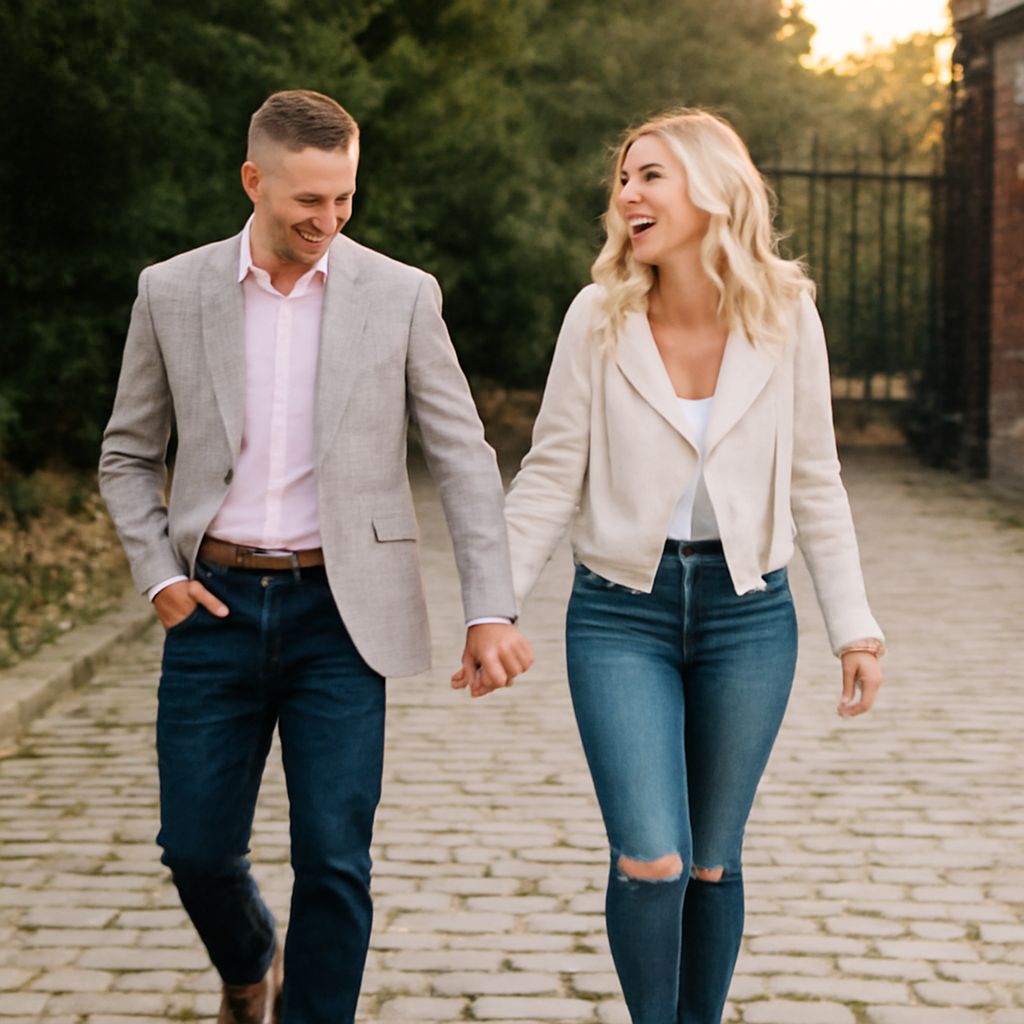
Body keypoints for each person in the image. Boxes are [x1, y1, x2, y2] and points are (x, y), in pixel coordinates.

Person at [99, 89, 532, 1024]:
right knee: (196, 849)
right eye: (308, 201)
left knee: (335, 854)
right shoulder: (170, 291)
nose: (328, 221)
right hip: (211, 604)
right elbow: (128, 453)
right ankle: (251, 959)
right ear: (254, 180)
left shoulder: (402, 295)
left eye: (344, 199)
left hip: (344, 613)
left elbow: (462, 455)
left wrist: (489, 606)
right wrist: (160, 575)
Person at [497, 109, 885, 1023]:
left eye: (651, 176)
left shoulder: (787, 315)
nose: (628, 194)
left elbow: (818, 481)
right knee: (651, 857)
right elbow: (551, 472)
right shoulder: (599, 316)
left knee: (713, 858)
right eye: (624, 179)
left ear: (712, 191)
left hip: (748, 618)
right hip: (618, 615)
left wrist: (855, 627)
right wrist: (492, 606)